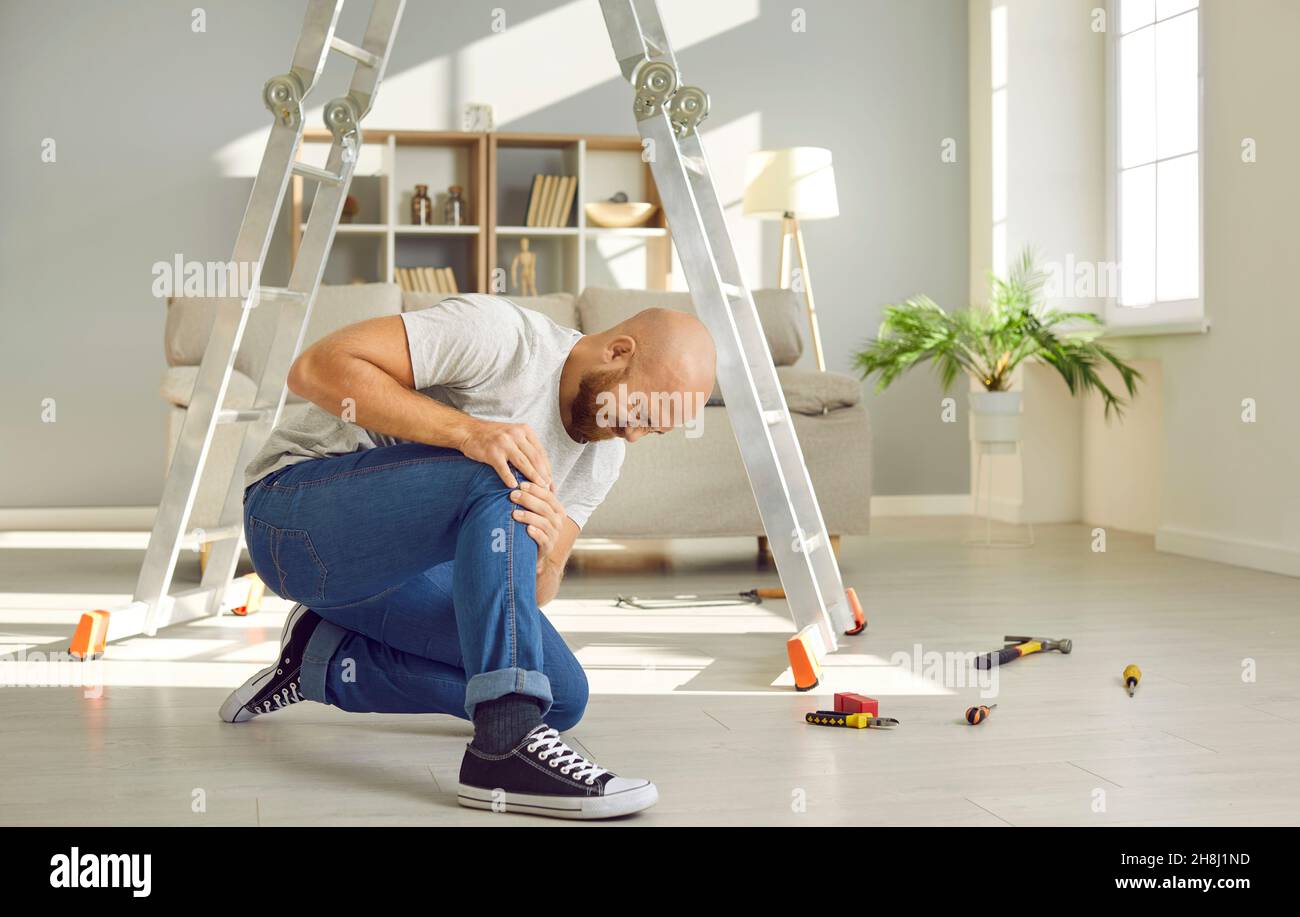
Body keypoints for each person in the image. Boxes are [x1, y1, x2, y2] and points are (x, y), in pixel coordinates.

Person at [219, 293, 716, 820]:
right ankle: (504, 744)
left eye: (654, 430)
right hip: (295, 522)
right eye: (639, 411)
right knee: (504, 469)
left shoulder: (604, 454)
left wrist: (548, 555)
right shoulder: (503, 338)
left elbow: (529, 598)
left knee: (562, 695)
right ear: (618, 351)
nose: (634, 435)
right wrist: (471, 434)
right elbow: (315, 369)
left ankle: (321, 660)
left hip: (376, 585)